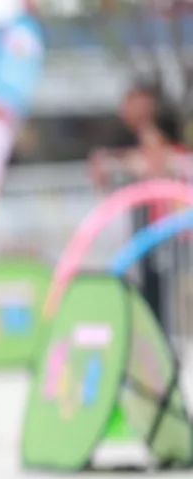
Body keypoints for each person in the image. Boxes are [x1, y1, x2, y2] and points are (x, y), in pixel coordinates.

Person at [89, 82, 193, 326]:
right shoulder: (129, 145)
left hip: (170, 235)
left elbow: (157, 163)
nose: (125, 111)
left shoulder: (164, 144)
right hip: (147, 237)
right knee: (151, 297)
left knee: (170, 300)